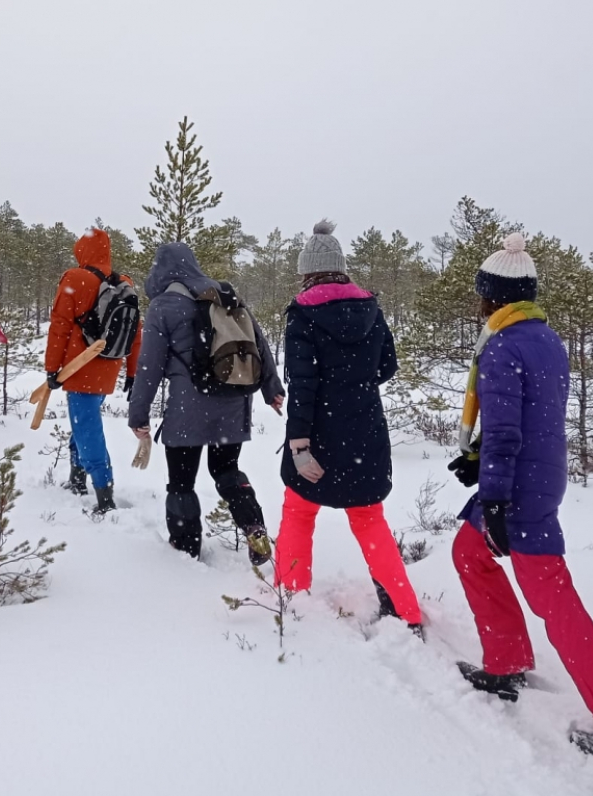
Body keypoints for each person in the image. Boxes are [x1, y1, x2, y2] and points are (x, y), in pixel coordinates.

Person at [445, 232, 593, 761]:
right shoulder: (544, 338)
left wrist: (494, 495)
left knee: (554, 599)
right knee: (469, 552)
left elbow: (508, 430)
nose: (478, 301)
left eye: (481, 292)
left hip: (520, 486)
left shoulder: (502, 346)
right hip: (538, 473)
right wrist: (479, 460)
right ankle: (505, 663)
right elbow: (527, 417)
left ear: (493, 296)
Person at [272, 220, 422, 632]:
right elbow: (387, 366)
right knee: (369, 517)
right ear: (341, 268)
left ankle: (291, 597)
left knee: (299, 510)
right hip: (365, 429)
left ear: (306, 272)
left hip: (318, 431)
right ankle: (405, 612)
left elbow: (303, 385)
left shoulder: (303, 315)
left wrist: (299, 445)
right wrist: (355, 385)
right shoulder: (371, 309)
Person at [128, 243, 285, 563]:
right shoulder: (225, 293)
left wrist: (138, 414)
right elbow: (258, 342)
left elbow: (149, 366)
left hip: (188, 407)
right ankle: (253, 525)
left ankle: (186, 547)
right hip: (233, 400)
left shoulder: (163, 305)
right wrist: (272, 388)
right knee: (226, 469)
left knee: (181, 481)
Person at [45, 228, 141, 516]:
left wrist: (52, 368)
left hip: (80, 366)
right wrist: (133, 372)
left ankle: (104, 493)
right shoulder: (124, 282)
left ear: (82, 250)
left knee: (87, 429)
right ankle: (77, 479)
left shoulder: (75, 278)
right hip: (109, 365)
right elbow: (136, 331)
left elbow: (60, 326)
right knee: (83, 423)